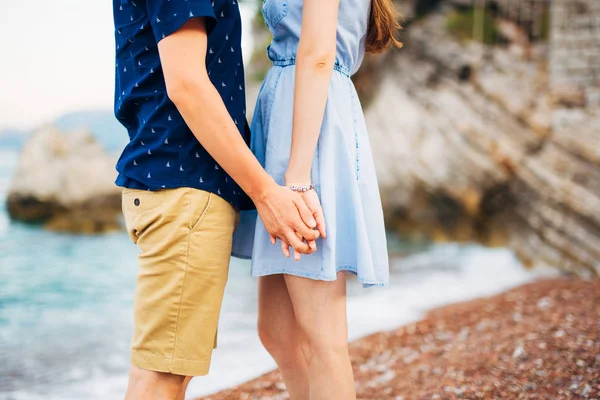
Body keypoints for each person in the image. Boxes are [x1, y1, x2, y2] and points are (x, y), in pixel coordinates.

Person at [112, 1, 322, 399]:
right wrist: (265, 193)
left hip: (175, 183)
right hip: (185, 183)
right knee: (162, 375)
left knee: (168, 370)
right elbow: (187, 84)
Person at [231, 0, 402, 398]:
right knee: (277, 329)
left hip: (309, 134)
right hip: (291, 127)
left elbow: (319, 54)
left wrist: (298, 177)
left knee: (322, 336)